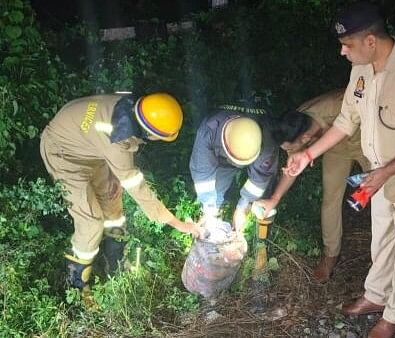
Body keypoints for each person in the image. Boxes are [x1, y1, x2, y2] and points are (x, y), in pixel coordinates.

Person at [285, 2, 395, 336]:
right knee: (381, 239)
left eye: (347, 45)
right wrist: (308, 154)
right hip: (379, 174)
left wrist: (385, 172)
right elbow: (346, 121)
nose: (343, 52)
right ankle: (375, 296)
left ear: (370, 41)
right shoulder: (361, 69)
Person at [40, 92, 201, 293]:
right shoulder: (117, 138)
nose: (157, 140)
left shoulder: (129, 106)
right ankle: (77, 287)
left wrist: (116, 176)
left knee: (112, 202)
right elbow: (138, 188)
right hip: (63, 154)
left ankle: (114, 262)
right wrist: (178, 224)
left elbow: (104, 143)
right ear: (148, 131)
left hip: (89, 148)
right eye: (158, 137)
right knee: (91, 221)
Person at [254, 89, 369, 283]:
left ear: (305, 139)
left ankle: (387, 256)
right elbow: (293, 167)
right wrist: (274, 199)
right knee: (330, 198)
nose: (289, 153)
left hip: (366, 141)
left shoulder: (335, 106)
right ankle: (330, 255)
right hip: (336, 150)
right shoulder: (296, 122)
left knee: (384, 193)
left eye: (290, 149)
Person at [190, 103, 305, 232]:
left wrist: (243, 207)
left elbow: (260, 178)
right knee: (213, 198)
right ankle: (213, 220)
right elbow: (202, 174)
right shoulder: (209, 130)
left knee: (264, 193)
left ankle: (262, 233)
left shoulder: (268, 138)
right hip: (222, 157)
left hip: (259, 140)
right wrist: (209, 206)